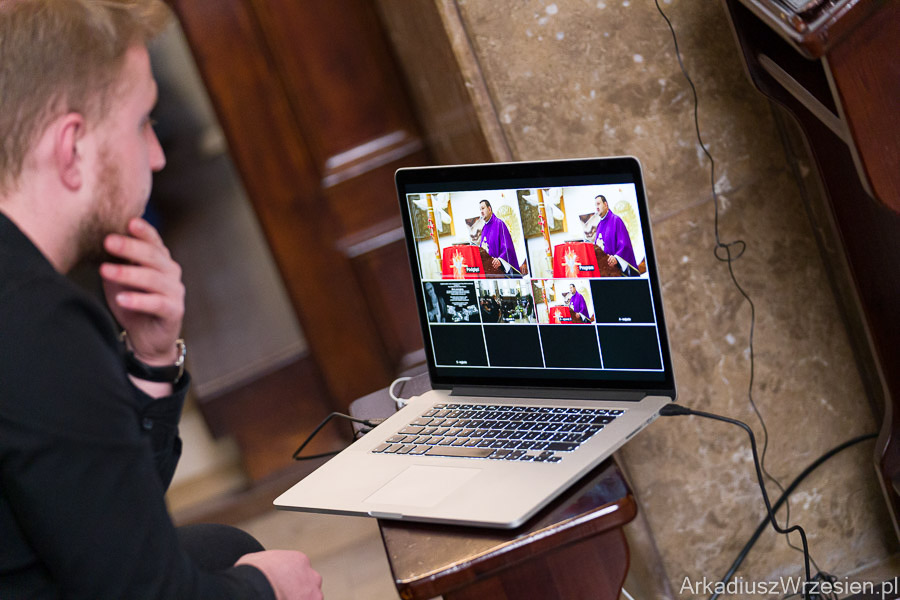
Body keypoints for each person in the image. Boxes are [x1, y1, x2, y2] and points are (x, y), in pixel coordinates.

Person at [0, 2, 322, 599]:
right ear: (72, 148)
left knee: (223, 548)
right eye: (140, 123)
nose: (157, 155)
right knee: (262, 571)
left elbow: (111, 523)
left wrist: (151, 360)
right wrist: (268, 592)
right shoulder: (40, 326)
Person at [593, 195, 639, 276]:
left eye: (598, 204)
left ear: (605, 204)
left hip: (617, 271)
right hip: (604, 272)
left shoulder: (616, 220)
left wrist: (616, 258)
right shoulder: (599, 225)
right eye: (595, 205)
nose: (597, 207)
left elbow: (625, 245)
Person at [478, 199, 520, 277]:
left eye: (483, 208)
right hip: (489, 272)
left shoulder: (499, 224)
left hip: (500, 271)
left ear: (489, 209)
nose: (481, 211)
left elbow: (507, 247)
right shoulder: (484, 229)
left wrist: (500, 260)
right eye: (480, 209)